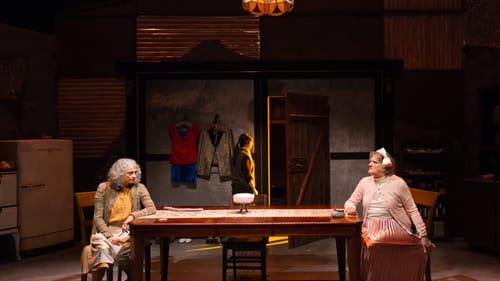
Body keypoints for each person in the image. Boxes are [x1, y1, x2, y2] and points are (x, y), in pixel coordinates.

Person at [344, 148, 434, 281]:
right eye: (370, 161)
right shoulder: (364, 182)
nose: (369, 164)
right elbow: (351, 201)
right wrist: (350, 207)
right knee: (367, 244)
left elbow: (412, 210)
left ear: (385, 166)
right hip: (370, 227)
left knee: (379, 243)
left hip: (395, 227)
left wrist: (423, 234)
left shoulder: (398, 183)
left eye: (374, 162)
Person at [88, 158, 156, 280]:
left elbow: (152, 208)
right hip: (107, 231)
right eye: (130, 173)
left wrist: (133, 216)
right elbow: (97, 218)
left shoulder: (139, 188)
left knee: (122, 255)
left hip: (130, 231)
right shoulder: (103, 188)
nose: (134, 176)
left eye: (136, 172)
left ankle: (134, 278)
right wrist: (109, 236)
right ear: (119, 174)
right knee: (101, 252)